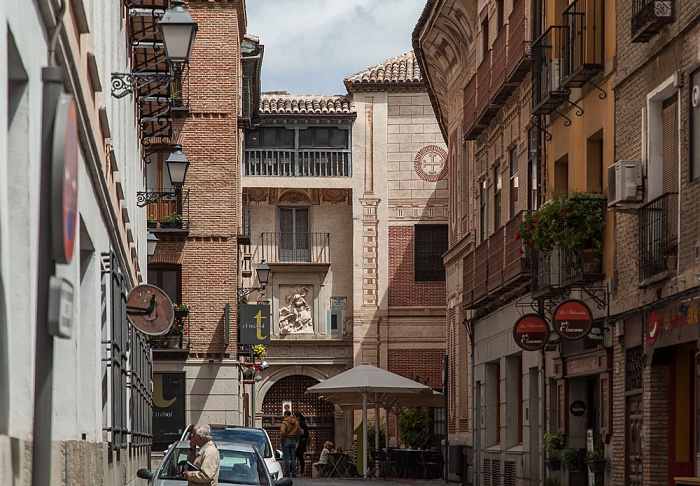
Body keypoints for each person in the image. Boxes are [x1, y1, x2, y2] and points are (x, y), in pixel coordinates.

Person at [279, 410, 301, 477]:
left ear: (285, 415)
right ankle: (294, 472)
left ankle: (287, 472)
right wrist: (296, 438)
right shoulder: (296, 422)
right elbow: (299, 432)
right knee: (293, 457)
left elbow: (282, 432)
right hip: (293, 440)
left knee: (286, 458)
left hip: (286, 440)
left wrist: (281, 440)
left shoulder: (285, 422)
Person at [294, 411, 310, 476]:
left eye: (295, 417)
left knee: (295, 456)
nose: (294, 418)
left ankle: (297, 471)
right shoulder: (298, 424)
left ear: (298, 417)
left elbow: (306, 434)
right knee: (299, 458)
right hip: (299, 443)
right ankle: (301, 472)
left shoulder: (303, 425)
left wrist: (301, 434)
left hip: (301, 443)